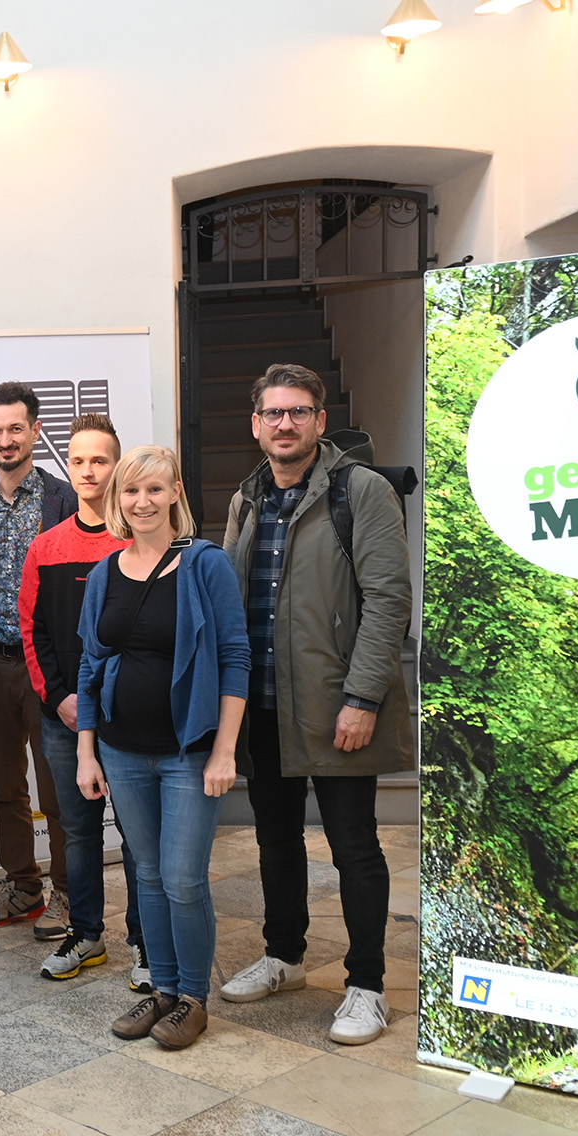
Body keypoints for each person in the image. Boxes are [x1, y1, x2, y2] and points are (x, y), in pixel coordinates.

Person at [218, 364, 414, 1046]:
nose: (285, 424)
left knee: (354, 845)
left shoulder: (360, 492)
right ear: (255, 424)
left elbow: (389, 601)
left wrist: (363, 696)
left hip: (338, 708)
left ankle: (366, 986)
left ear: (319, 420)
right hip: (267, 708)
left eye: (299, 411)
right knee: (275, 841)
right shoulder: (246, 499)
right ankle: (286, 955)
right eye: (273, 413)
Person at [76, 446, 248, 1051]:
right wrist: (86, 752)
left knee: (182, 878)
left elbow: (234, 658)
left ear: (175, 493)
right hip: (122, 752)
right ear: (116, 501)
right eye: (130, 492)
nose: (141, 502)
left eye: (154, 490)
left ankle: (194, 998)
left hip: (188, 752)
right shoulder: (104, 574)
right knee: (146, 875)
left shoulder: (206, 565)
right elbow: (91, 666)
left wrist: (224, 750)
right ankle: (165, 992)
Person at [19, 414, 148, 988]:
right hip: (66, 719)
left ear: (117, 466)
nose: (89, 470)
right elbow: (32, 631)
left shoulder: (143, 544)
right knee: (79, 832)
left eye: (100, 460)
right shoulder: (46, 547)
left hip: (134, 722)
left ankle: (147, 943)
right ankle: (88, 935)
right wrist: (62, 698)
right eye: (78, 460)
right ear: (67, 468)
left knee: (143, 837)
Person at [0, 382, 76, 940]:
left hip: (46, 668)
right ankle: (22, 884)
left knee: (59, 790)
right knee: (6, 785)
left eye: (16, 428)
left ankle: (68, 895)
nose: (6, 440)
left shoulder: (64, 500)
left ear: (35, 431)